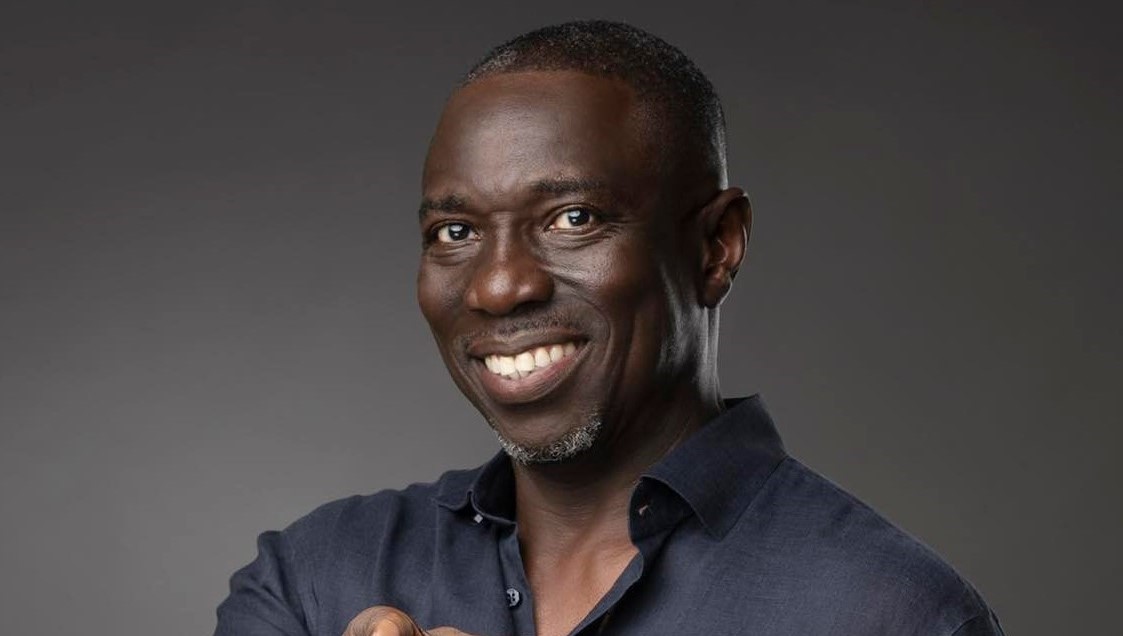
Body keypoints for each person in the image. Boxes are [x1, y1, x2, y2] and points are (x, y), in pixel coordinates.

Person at [215, 20, 1003, 636]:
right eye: (455, 232)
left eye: (573, 218)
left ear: (714, 247)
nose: (497, 286)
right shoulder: (313, 579)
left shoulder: (892, 614)